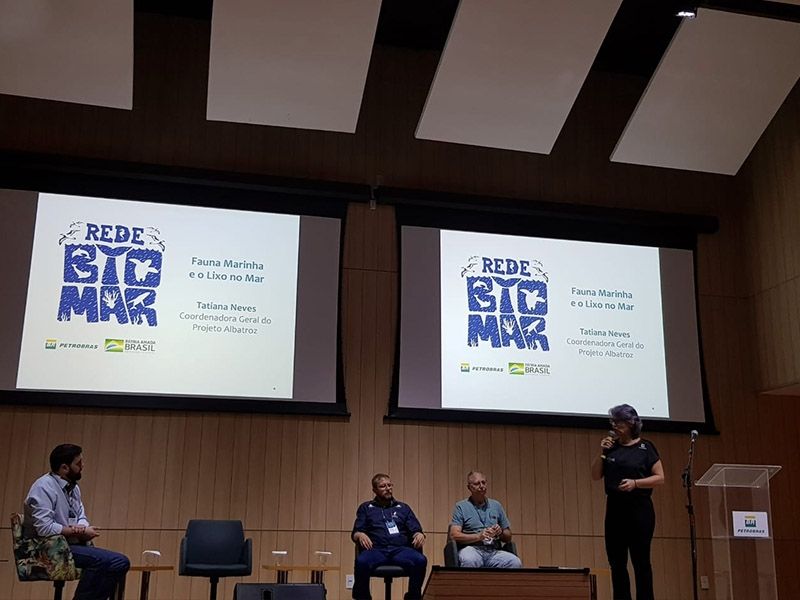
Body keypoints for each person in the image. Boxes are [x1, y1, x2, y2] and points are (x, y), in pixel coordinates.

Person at [23, 444, 130, 600]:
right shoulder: (43, 487)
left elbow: (81, 516)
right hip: (47, 548)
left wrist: (83, 529)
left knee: (120, 562)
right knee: (114, 561)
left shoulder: (73, 488)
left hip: (70, 545)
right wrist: (76, 531)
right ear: (64, 467)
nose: (83, 466)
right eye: (78, 463)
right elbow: (44, 528)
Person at [591, 404, 664, 600]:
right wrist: (602, 452)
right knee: (617, 563)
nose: (614, 426)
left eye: (619, 422)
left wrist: (636, 483)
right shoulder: (611, 448)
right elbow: (595, 475)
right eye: (613, 422)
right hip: (615, 509)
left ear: (631, 423)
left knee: (641, 562)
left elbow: (660, 478)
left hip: (640, 510)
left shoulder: (646, 448)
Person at [351, 473, 427, 600]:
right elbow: (356, 532)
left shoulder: (403, 508)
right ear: (374, 490)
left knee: (420, 560)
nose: (388, 488)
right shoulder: (366, 508)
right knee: (361, 562)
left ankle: (412, 597)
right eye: (383, 486)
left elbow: (416, 529)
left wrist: (419, 534)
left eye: (389, 485)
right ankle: (363, 597)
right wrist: (360, 534)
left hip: (400, 550)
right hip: (376, 550)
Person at [449, 471, 522, 568]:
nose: (481, 486)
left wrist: (500, 532)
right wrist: (478, 536)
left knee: (515, 562)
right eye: (477, 483)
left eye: (483, 482)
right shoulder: (461, 507)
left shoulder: (496, 505)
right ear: (469, 487)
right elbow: (454, 535)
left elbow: (508, 536)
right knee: (470, 560)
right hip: (472, 549)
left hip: (493, 551)